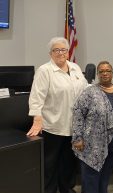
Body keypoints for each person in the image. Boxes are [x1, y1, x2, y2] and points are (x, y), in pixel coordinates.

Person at [27, 37, 87, 193]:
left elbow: (86, 89)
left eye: (63, 50)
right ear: (50, 53)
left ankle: (66, 188)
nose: (60, 53)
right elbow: (36, 97)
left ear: (68, 52)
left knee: (68, 163)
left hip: (74, 126)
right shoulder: (44, 71)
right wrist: (37, 119)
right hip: (53, 126)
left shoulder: (75, 67)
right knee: (50, 164)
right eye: (56, 50)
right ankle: (49, 190)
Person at [72, 61, 113, 193]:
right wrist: (78, 138)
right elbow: (78, 113)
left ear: (112, 73)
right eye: (101, 71)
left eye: (108, 71)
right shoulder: (89, 92)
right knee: (91, 178)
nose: (105, 73)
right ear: (98, 74)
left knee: (105, 178)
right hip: (92, 144)